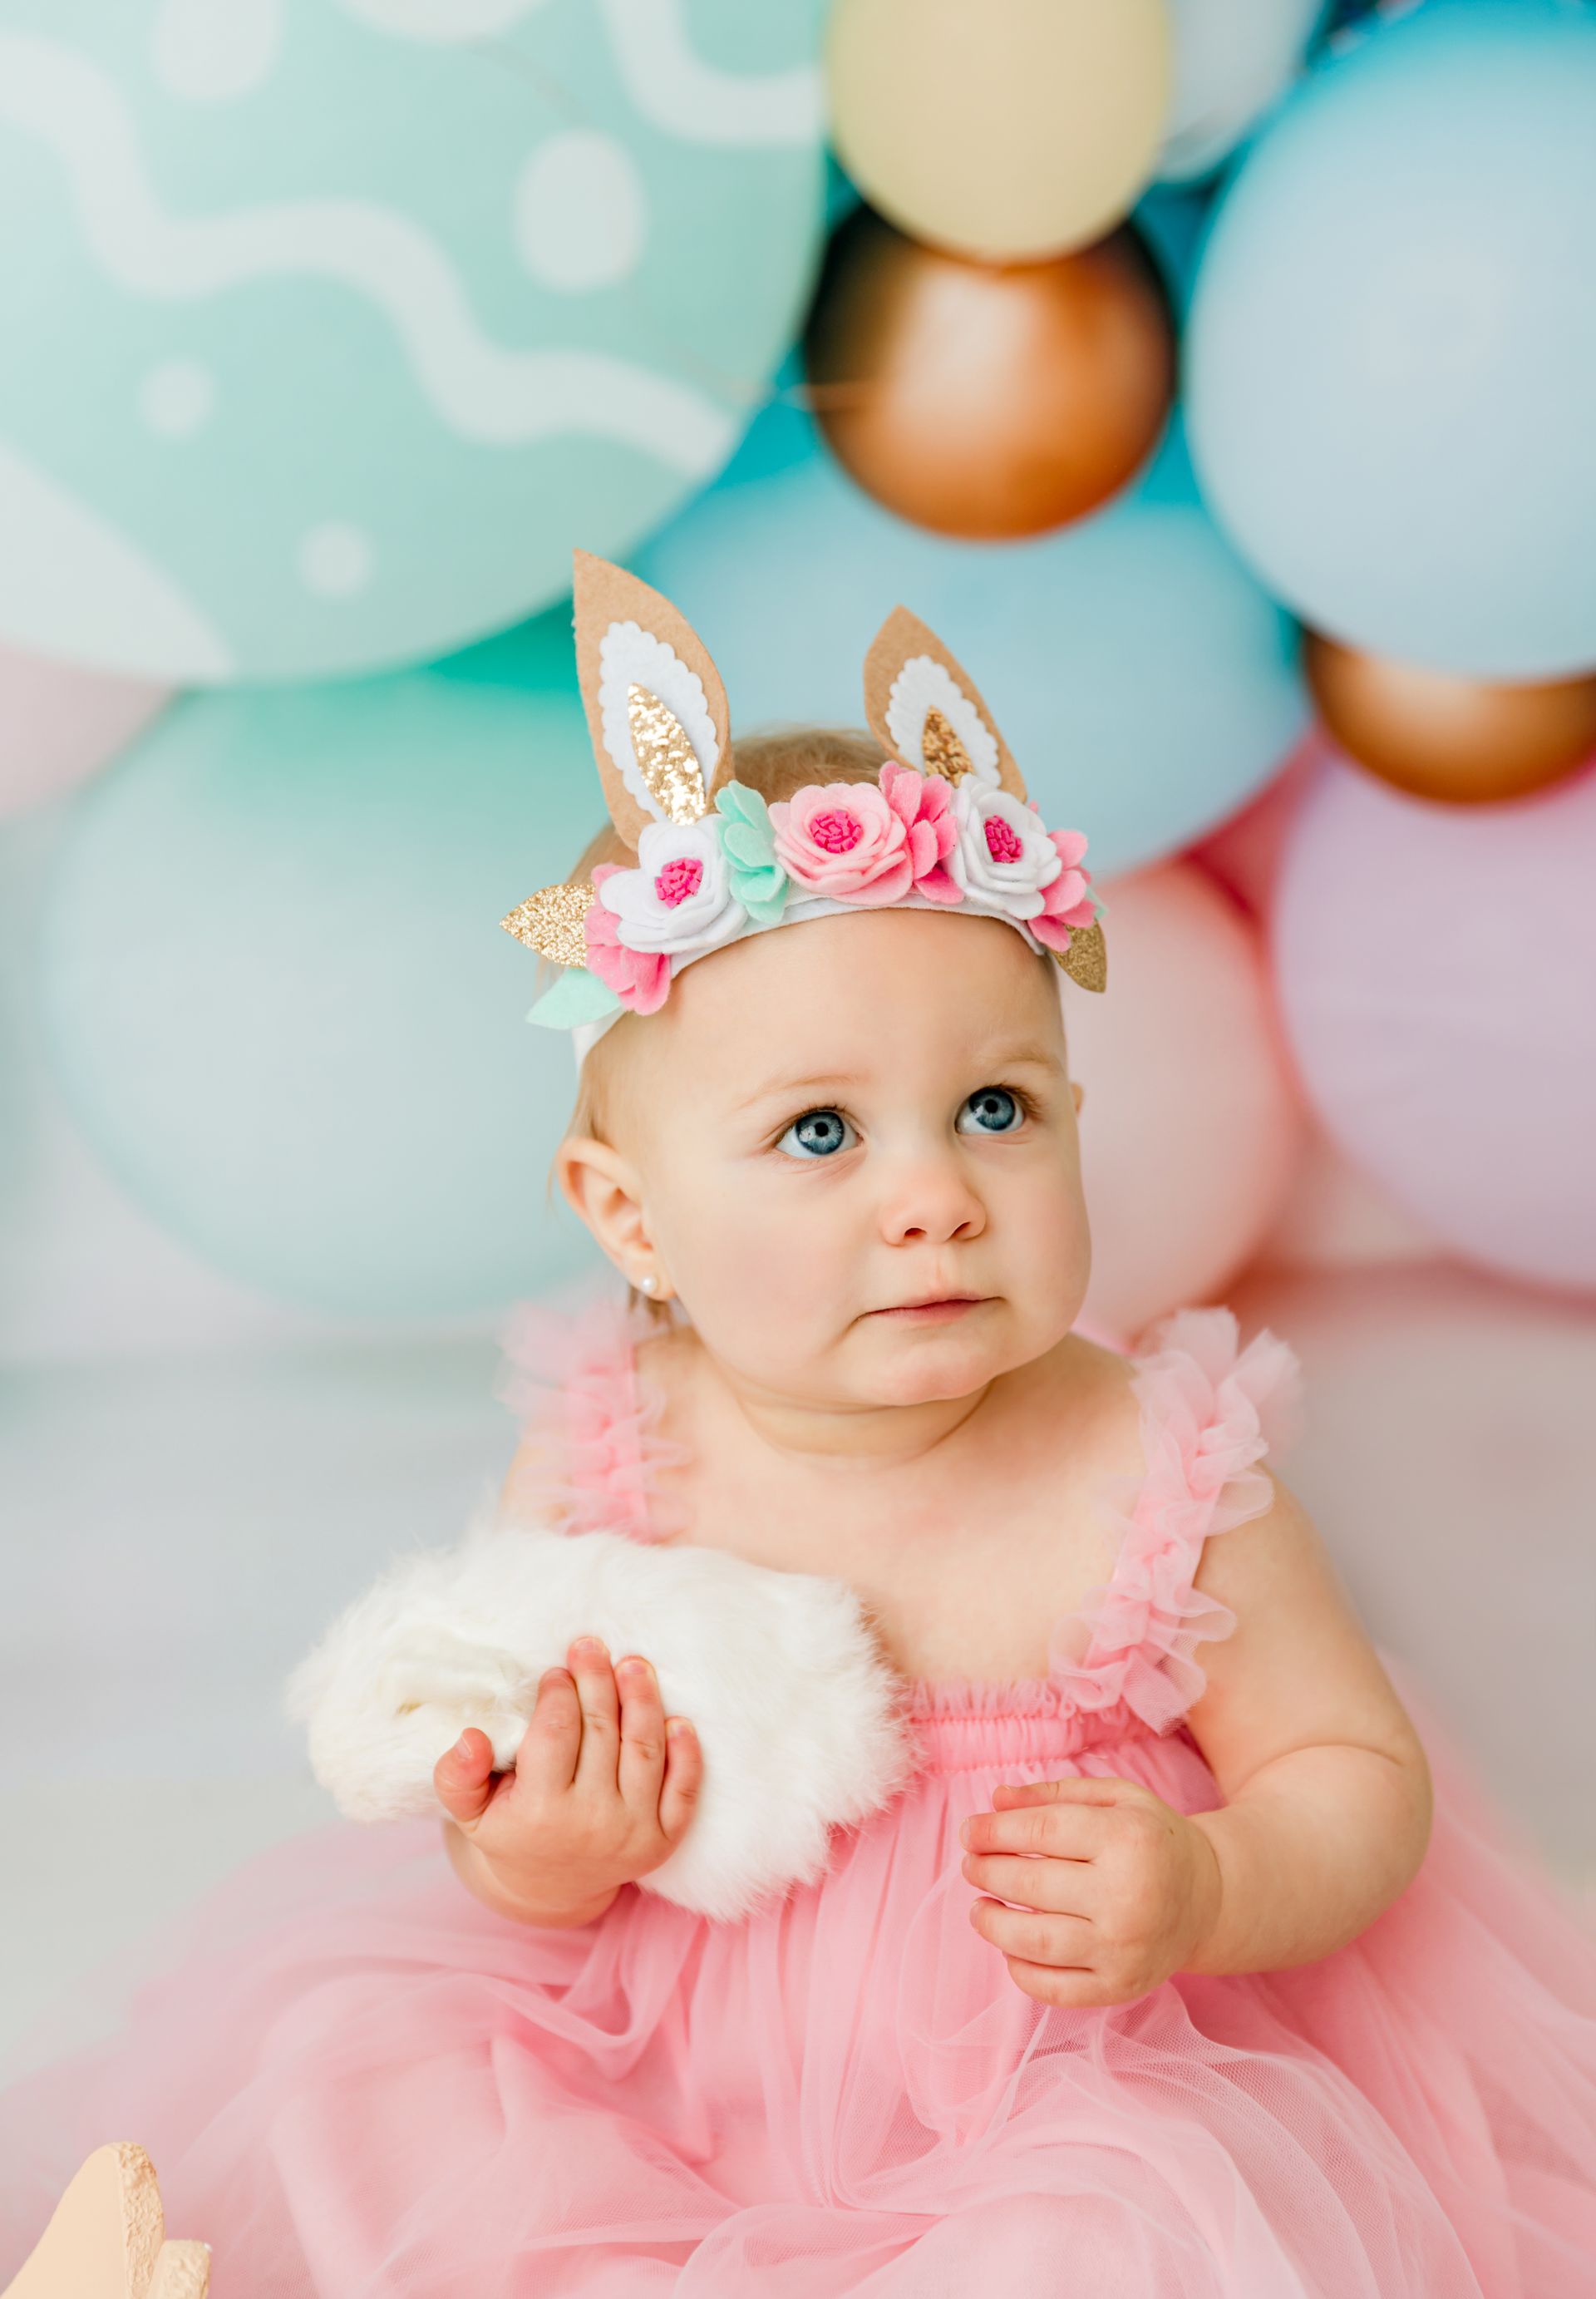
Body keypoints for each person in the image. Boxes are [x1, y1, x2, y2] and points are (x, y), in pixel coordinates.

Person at [2, 555, 1594, 2297]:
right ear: (629, 1217)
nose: (934, 1196)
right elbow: (516, 1831)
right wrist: (540, 1850)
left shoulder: (1159, 1465)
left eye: (995, 1107)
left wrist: (1211, 1887)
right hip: (655, 2077)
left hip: (1059, 2101)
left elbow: (1351, 1778)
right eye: (822, 1134)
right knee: (378, 2095)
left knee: (1131, 2238)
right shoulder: (614, 1455)